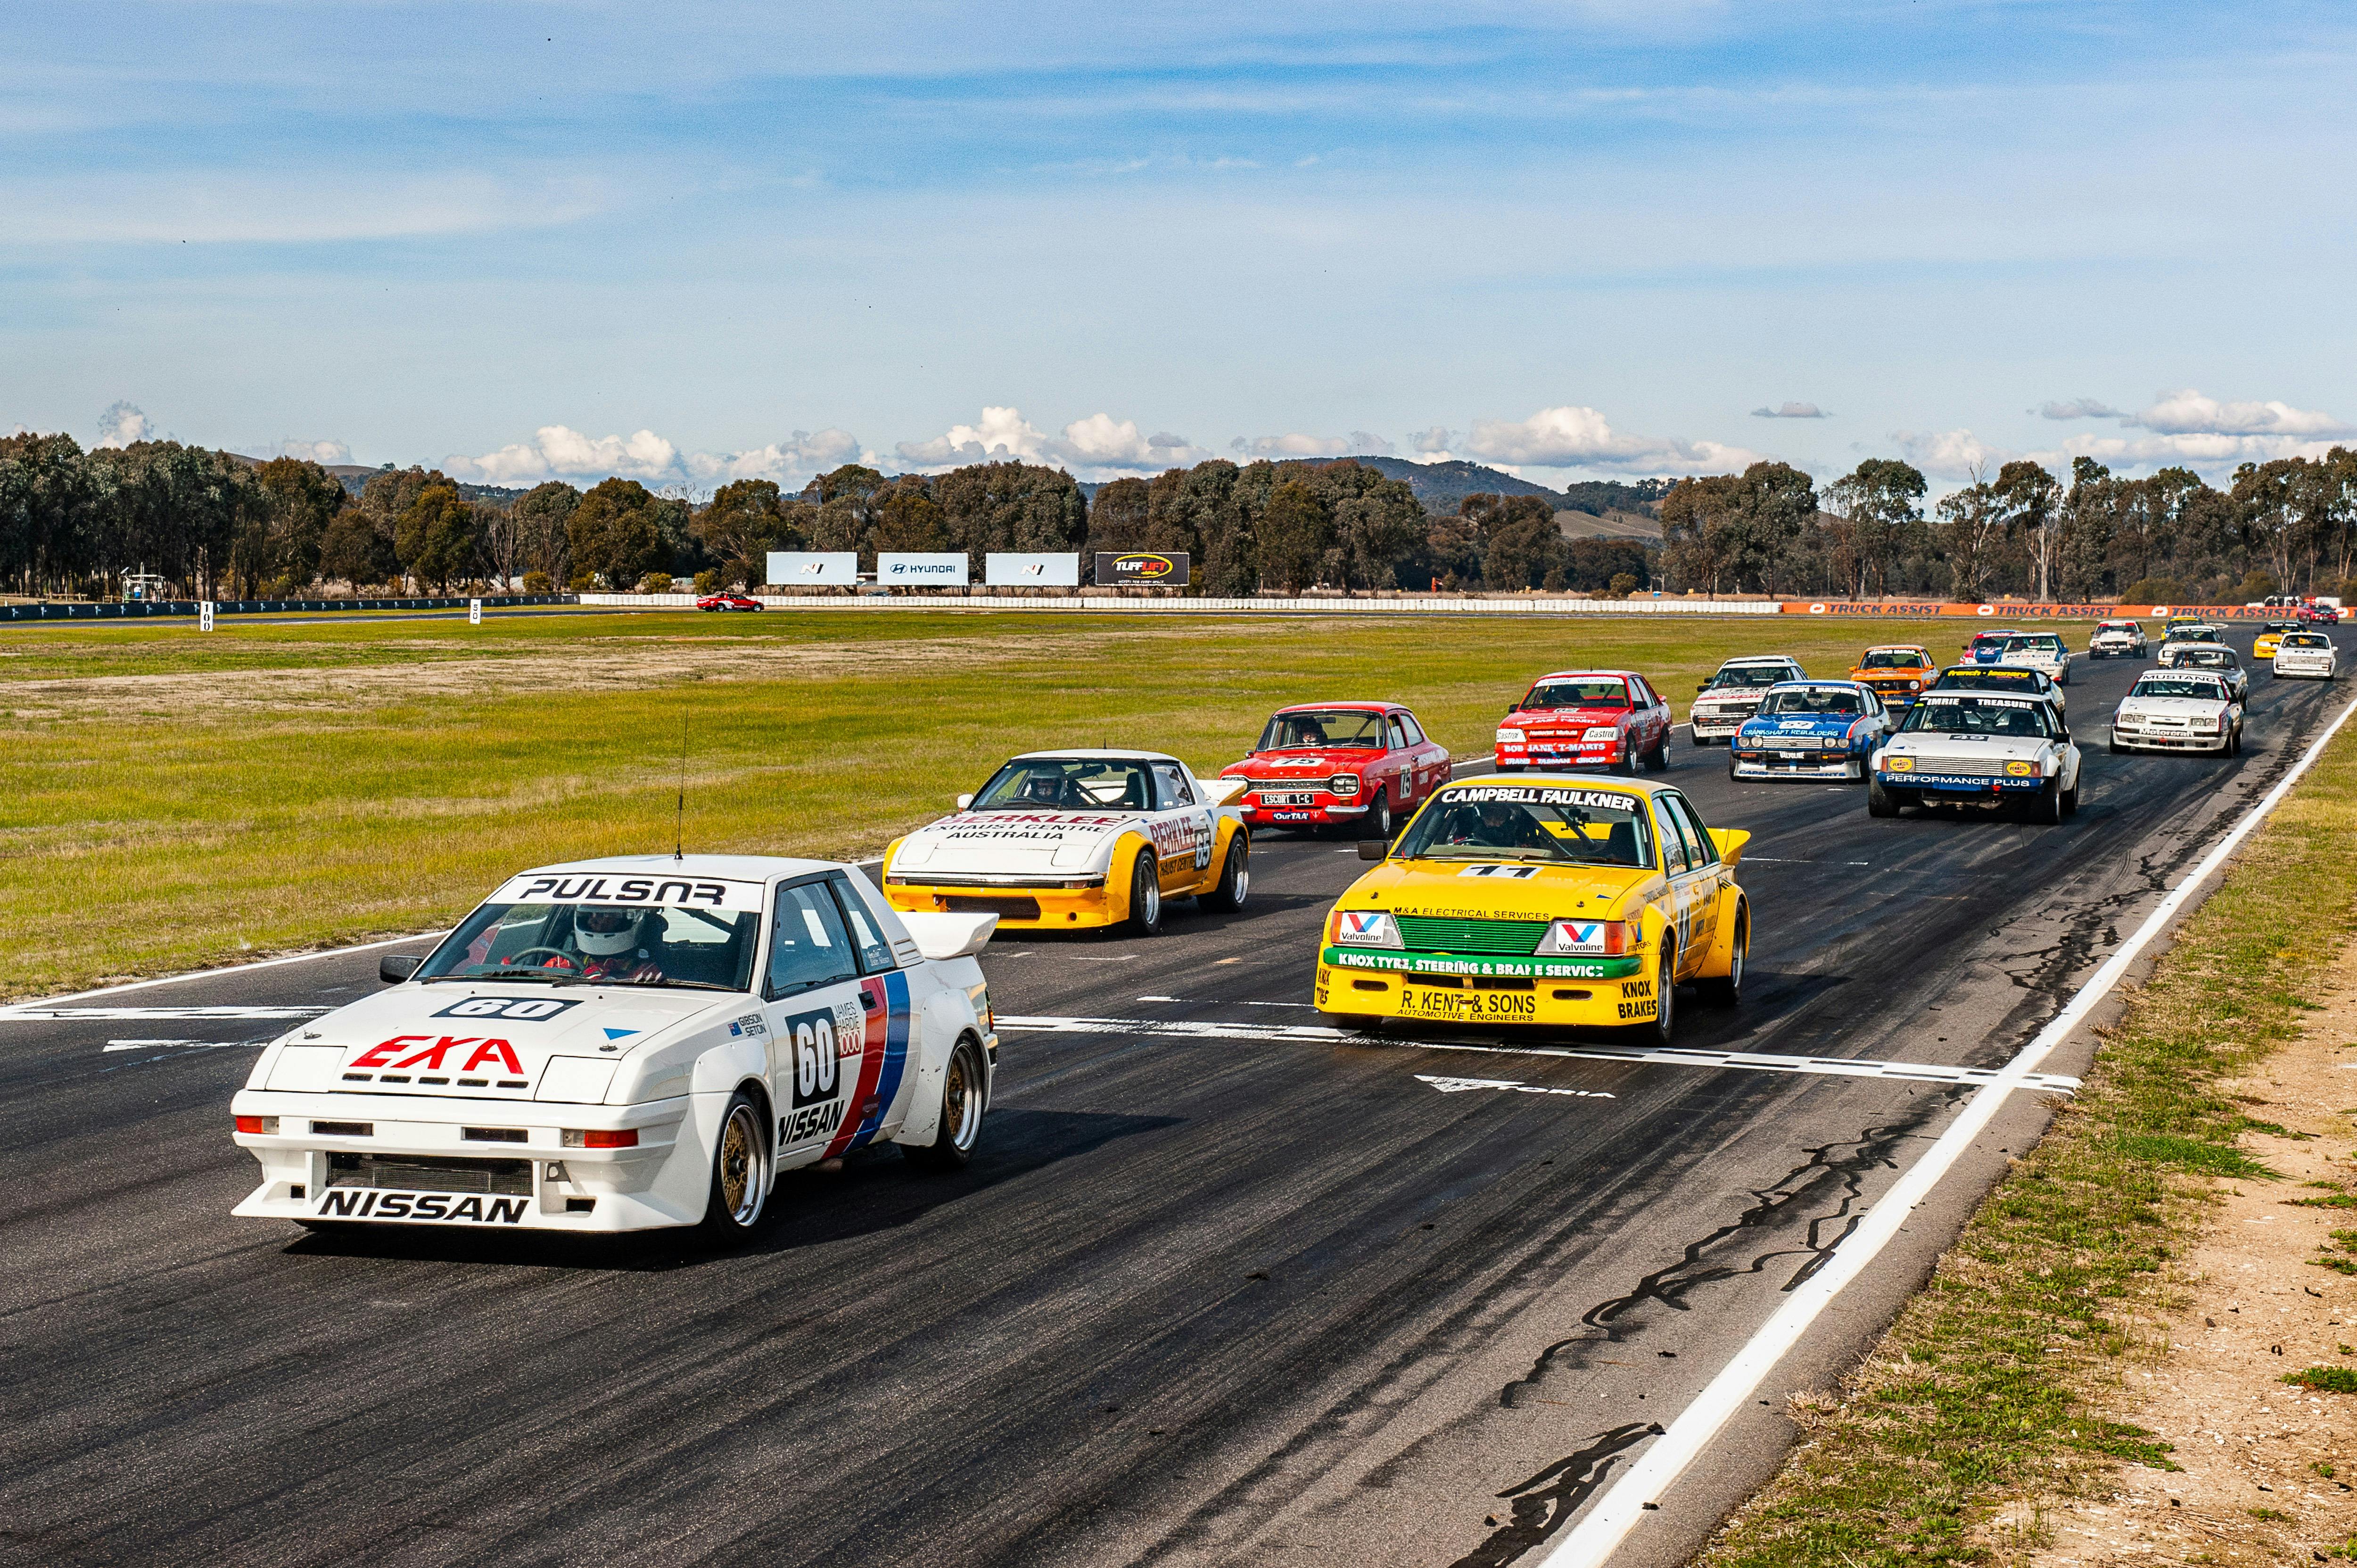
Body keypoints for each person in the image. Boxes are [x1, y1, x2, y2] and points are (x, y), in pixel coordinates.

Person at [544, 908, 665, 982]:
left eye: (605, 914)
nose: (593, 919)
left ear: (625, 920)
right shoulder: (563, 962)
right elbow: (541, 981)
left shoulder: (645, 970)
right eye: (590, 914)